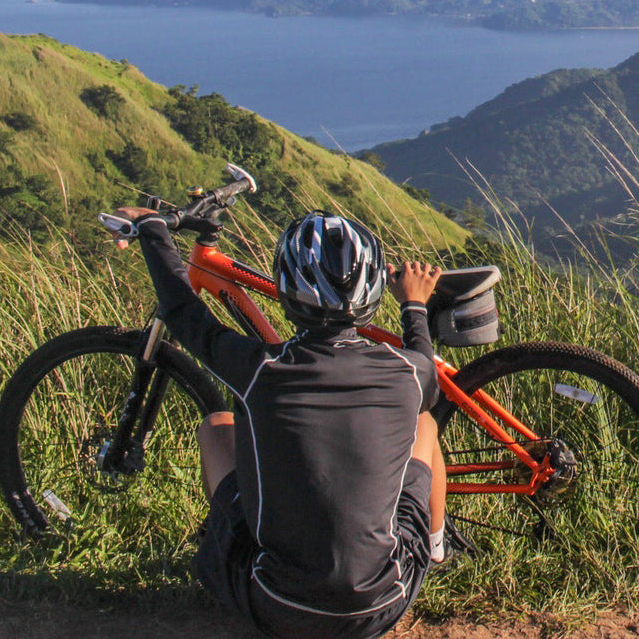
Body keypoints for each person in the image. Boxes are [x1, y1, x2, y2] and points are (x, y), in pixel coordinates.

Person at [111, 206, 448, 639]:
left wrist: (153, 227)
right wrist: (415, 305)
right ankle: (435, 549)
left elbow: (180, 307)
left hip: (278, 607)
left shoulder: (257, 369)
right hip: (382, 604)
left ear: (286, 294)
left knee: (216, 426)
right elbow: (425, 359)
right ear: (374, 295)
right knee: (425, 426)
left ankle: (233, 547)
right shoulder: (408, 374)